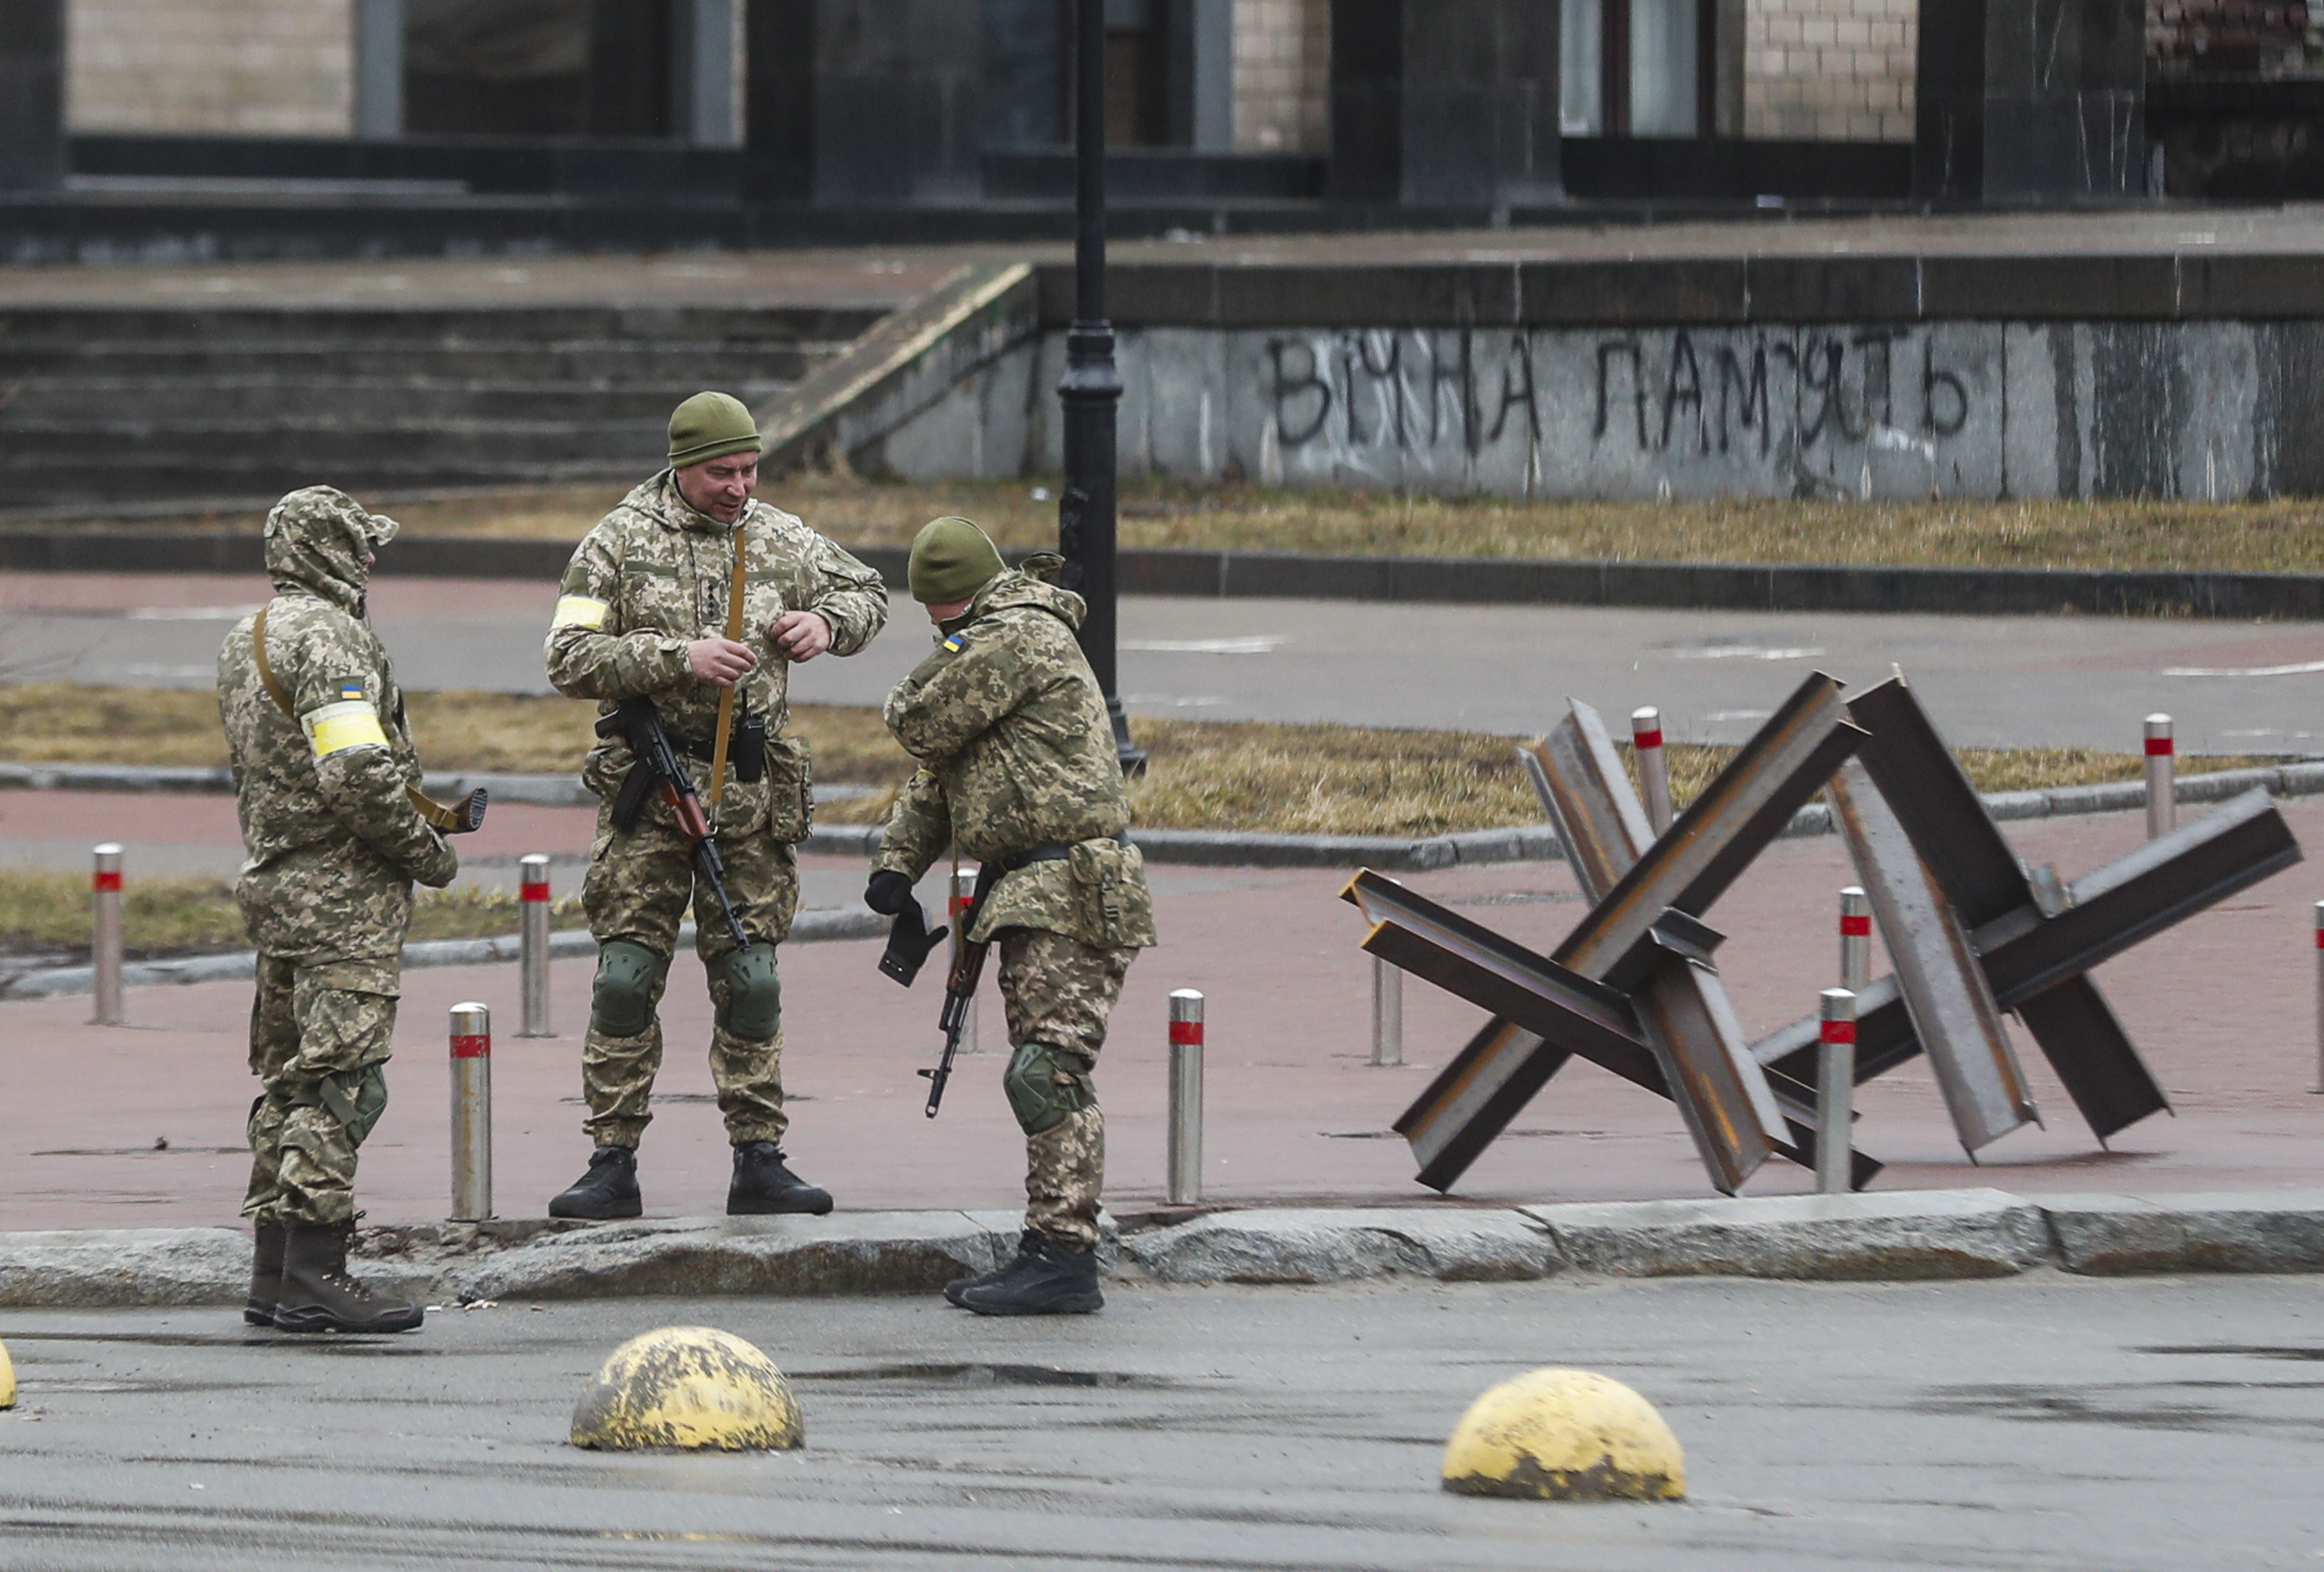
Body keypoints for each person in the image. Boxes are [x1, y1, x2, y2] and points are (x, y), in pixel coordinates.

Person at [544, 391, 889, 1220]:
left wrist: (826, 622)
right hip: (651, 793)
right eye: (720, 473)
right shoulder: (618, 542)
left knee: (751, 976)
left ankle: (759, 1158)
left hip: (749, 797)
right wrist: (677, 657)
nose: (739, 487)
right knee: (626, 977)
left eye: (748, 469)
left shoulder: (777, 536)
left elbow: (870, 592)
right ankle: (611, 1160)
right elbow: (568, 654)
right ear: (681, 467)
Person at [866, 517, 1156, 1316]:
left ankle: (1064, 1256)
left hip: (1071, 885)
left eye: (938, 620)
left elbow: (916, 717)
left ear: (950, 603)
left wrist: (946, 653)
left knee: (1046, 1073)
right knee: (1039, 1068)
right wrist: (897, 865)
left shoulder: (1017, 637)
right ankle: (1046, 1246)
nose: (937, 633)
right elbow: (939, 769)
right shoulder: (991, 642)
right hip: (1031, 888)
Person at [218, 485, 457, 1335]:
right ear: (328, 553)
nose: (367, 567)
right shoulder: (331, 638)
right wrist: (427, 852)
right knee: (343, 1082)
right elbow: (355, 774)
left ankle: (276, 1272)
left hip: (278, 886)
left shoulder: (250, 636)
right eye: (360, 550)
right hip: (340, 899)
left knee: (288, 1079)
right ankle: (319, 1275)